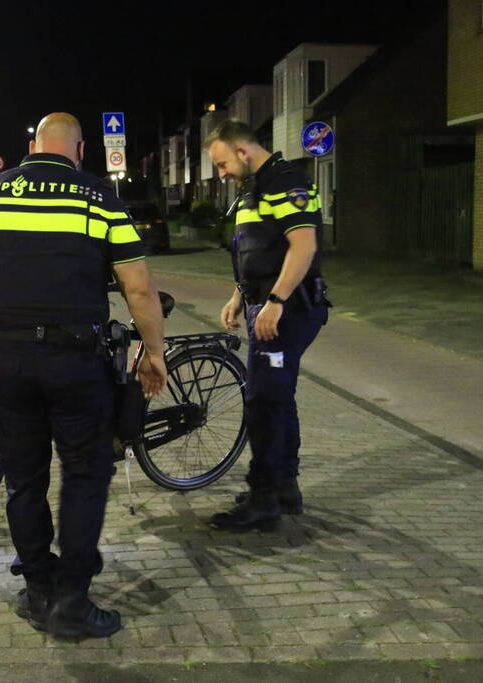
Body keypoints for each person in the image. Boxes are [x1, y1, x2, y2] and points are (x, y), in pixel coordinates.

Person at [0, 113, 167, 638]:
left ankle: (38, 588)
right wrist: (153, 351)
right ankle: (72, 599)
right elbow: (138, 288)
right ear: (81, 149)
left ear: (32, 147)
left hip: (5, 362)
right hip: (77, 364)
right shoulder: (97, 198)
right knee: (85, 476)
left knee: (24, 479)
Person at [205, 119, 330, 532]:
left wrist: (276, 302)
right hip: (267, 304)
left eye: (222, 163)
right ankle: (284, 488)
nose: (221, 173)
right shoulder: (253, 190)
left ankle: (263, 499)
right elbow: (256, 254)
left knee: (263, 400)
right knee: (278, 396)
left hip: (288, 310)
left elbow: (304, 245)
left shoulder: (285, 182)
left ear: (242, 151)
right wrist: (239, 297)